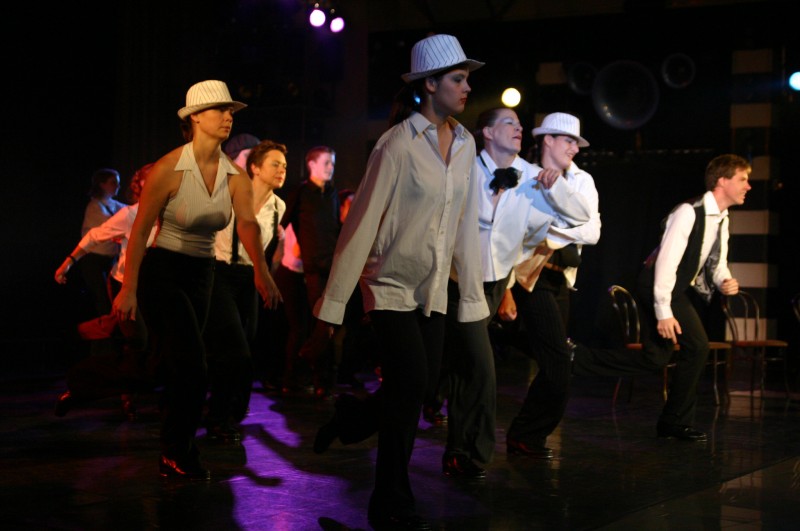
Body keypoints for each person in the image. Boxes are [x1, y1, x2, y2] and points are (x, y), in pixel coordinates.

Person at [313, 33, 487, 531]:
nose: (467, 87)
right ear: (430, 84)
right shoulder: (396, 145)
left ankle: (351, 420)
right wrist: (332, 307)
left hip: (431, 289)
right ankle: (390, 501)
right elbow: (360, 224)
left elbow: (465, 227)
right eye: (458, 78)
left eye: (467, 79)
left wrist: (472, 298)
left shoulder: (466, 144)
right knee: (409, 386)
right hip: (388, 284)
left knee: (420, 389)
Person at [112, 79, 280, 481]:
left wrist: (262, 271)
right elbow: (141, 230)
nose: (228, 117)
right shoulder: (168, 169)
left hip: (204, 273)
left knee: (182, 363)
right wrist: (129, 287)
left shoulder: (234, 175)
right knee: (190, 362)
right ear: (195, 118)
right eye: (220, 110)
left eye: (231, 111)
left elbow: (247, 224)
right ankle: (177, 451)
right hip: (163, 271)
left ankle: (173, 437)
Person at [572, 153, 751, 441]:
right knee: (697, 346)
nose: (748, 186)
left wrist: (724, 281)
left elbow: (716, 263)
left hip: (673, 289)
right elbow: (665, 264)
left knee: (655, 358)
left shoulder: (721, 218)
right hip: (658, 286)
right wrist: (663, 312)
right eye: (743, 179)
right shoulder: (688, 212)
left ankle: (577, 359)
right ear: (722, 181)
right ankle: (674, 422)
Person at [499, 112, 601, 460]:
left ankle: (526, 434)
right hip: (531, 276)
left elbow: (592, 231)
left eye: (577, 142)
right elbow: (512, 234)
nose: (575, 148)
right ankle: (526, 434)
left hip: (561, 277)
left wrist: (550, 229)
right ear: (548, 140)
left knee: (557, 361)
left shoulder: (582, 180)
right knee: (558, 358)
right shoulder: (525, 175)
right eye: (568, 140)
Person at [54, 163, 157, 419]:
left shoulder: (170, 214)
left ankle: (131, 391)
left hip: (154, 286)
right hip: (125, 285)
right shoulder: (130, 214)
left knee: (153, 345)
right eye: (152, 179)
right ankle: (88, 388)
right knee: (139, 342)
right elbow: (93, 236)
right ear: (140, 185)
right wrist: (68, 263)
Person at [203, 139, 287, 442]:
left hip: (250, 277)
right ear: (255, 168)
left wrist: (267, 276)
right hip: (220, 273)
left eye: (284, 166)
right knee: (233, 348)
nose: (281, 170)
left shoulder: (279, 207)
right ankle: (218, 417)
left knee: (245, 349)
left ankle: (230, 413)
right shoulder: (230, 191)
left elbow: (268, 249)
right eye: (275, 164)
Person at [280, 145, 341, 397]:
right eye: (326, 162)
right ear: (312, 165)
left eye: (332, 163)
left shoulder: (332, 193)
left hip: (333, 266)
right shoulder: (302, 192)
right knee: (318, 322)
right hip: (313, 268)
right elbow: (282, 223)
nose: (330, 168)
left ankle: (322, 379)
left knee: (329, 324)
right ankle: (307, 375)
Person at [77, 167, 126, 317]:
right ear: (102, 184)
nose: (118, 186)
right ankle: (103, 328)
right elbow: (113, 226)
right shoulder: (94, 206)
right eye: (113, 183)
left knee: (112, 298)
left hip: (110, 259)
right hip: (94, 260)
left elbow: (132, 213)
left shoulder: (116, 205)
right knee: (102, 298)